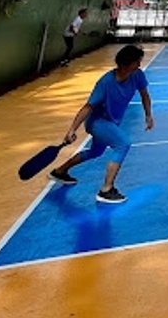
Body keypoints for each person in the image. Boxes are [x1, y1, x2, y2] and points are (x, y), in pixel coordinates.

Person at [49, 44, 154, 204]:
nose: (139, 65)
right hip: (97, 122)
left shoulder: (137, 75)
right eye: (137, 62)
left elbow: (145, 95)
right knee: (123, 144)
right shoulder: (105, 82)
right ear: (126, 63)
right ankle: (106, 189)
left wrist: (148, 115)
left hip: (112, 123)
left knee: (96, 152)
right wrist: (72, 129)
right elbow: (88, 107)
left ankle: (60, 171)